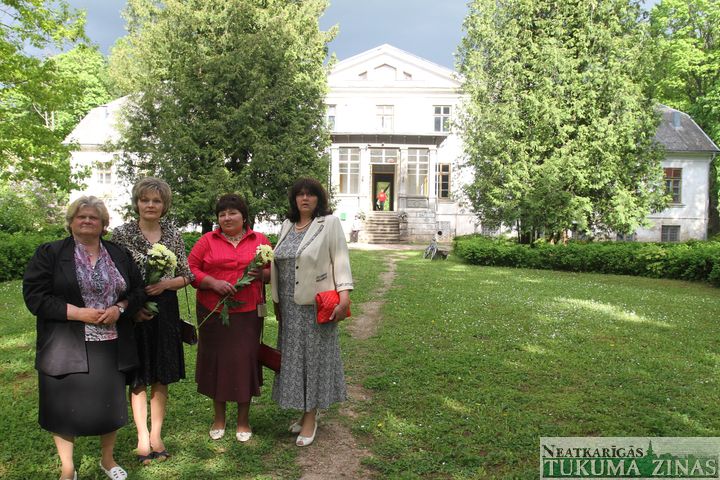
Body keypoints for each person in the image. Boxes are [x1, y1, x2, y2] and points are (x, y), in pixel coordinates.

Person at [23, 196, 145, 480]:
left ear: (103, 224)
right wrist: (79, 313)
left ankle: (108, 459)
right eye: (81, 216)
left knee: (110, 406)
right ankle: (67, 468)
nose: (87, 221)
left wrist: (120, 308)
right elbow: (35, 296)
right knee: (62, 410)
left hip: (111, 344)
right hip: (65, 345)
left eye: (94, 217)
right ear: (71, 222)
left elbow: (138, 291)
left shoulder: (118, 253)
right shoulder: (50, 253)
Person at [111, 177, 194, 464]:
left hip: (165, 310)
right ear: (136, 203)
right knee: (139, 376)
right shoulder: (121, 234)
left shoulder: (173, 234)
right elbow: (113, 276)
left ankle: (156, 435)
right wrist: (132, 309)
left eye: (156, 200)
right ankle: (142, 437)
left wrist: (166, 284)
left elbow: (187, 275)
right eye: (145, 199)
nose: (150, 205)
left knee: (161, 373)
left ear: (164, 205)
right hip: (134, 310)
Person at [271, 178, 353, 447]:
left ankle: (310, 417)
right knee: (296, 361)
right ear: (294, 199)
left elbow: (340, 260)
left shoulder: (329, 224)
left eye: (310, 194)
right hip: (288, 307)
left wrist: (344, 297)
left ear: (319, 199)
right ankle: (305, 411)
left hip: (316, 305)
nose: (304, 198)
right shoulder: (287, 225)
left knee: (314, 361)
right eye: (300, 194)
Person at [188, 193, 271, 443]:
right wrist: (212, 282)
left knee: (245, 363)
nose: (227, 217)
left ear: (244, 216)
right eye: (222, 214)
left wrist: (261, 275)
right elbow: (190, 269)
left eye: (232, 212)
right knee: (217, 363)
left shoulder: (260, 240)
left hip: (248, 313)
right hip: (213, 312)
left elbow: (273, 271)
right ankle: (219, 419)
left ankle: (243, 420)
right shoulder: (207, 241)